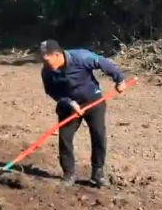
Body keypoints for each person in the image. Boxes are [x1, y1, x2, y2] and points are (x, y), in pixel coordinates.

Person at [38, 39, 127, 188]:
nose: (45, 64)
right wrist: (69, 103)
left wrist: (119, 80)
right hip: (69, 105)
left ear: (57, 55)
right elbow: (52, 92)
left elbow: (103, 62)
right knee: (65, 138)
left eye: (47, 60)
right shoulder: (47, 72)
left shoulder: (80, 57)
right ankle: (69, 173)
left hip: (93, 100)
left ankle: (98, 172)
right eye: (42, 60)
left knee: (98, 134)